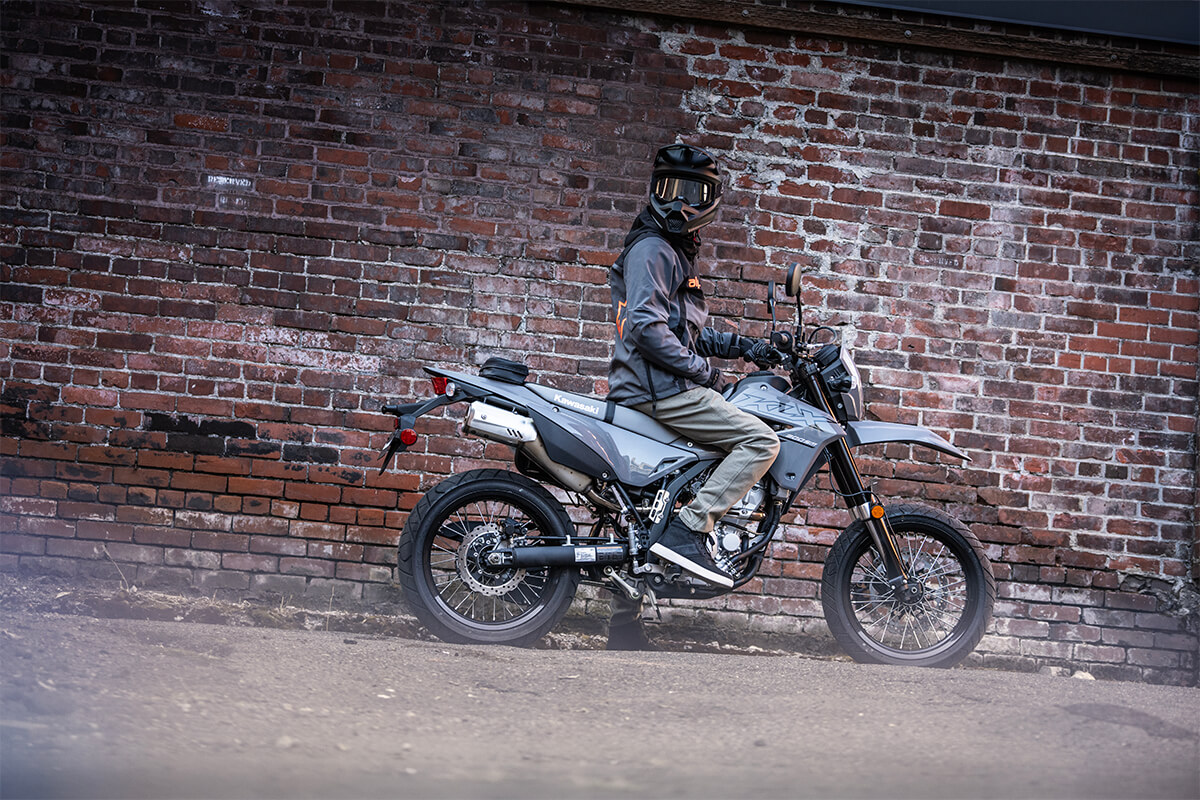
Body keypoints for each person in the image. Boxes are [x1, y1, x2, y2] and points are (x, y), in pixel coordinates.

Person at [607, 143, 782, 596]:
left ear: (710, 198)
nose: (681, 202)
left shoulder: (668, 249)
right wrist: (706, 374)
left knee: (647, 506)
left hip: (657, 384)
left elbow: (682, 330)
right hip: (662, 390)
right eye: (671, 189)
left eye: (692, 191)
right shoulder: (655, 249)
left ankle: (628, 621)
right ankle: (688, 532)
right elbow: (647, 330)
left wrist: (746, 347)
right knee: (760, 440)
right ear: (654, 190)